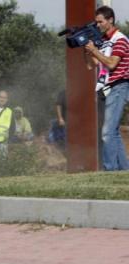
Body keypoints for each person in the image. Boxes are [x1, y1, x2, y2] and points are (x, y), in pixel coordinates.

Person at [84, 6, 129, 171]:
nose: (97, 26)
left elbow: (111, 64)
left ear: (110, 20)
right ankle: (124, 170)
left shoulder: (120, 39)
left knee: (107, 132)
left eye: (100, 22)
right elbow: (92, 65)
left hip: (118, 86)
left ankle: (109, 169)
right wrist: (86, 50)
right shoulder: (104, 41)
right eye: (96, 22)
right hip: (105, 88)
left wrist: (94, 50)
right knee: (113, 132)